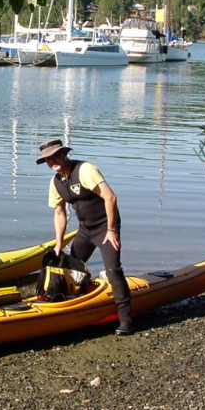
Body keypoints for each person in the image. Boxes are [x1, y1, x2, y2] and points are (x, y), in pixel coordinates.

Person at [36, 138, 133, 335]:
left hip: (105, 228)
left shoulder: (85, 170)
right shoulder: (56, 182)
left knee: (113, 271)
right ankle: (80, 306)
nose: (52, 161)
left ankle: (126, 320)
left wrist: (112, 229)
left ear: (64, 154)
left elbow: (110, 197)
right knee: (70, 270)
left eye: (55, 156)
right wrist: (58, 243)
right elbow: (59, 213)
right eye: (47, 159)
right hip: (85, 230)